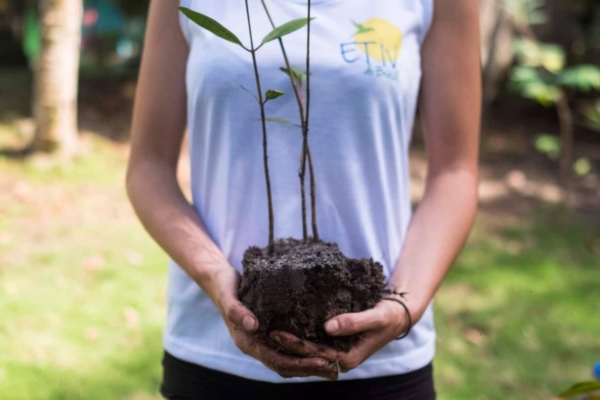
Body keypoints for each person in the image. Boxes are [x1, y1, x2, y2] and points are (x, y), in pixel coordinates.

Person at [126, 0, 480, 398]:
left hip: (385, 367)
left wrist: (403, 307)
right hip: (213, 355)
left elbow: (455, 173)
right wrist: (213, 275)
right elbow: (148, 169)